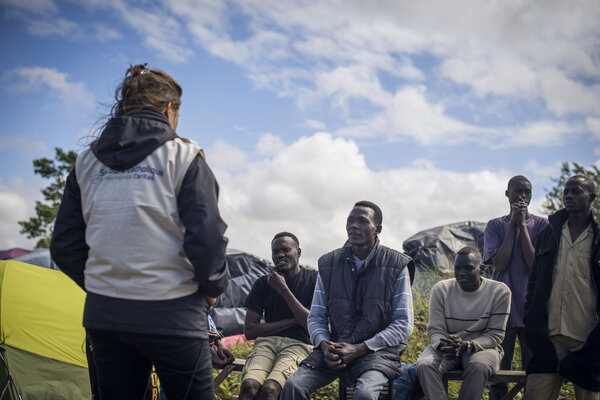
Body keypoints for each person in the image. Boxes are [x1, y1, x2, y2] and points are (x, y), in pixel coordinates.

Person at [50, 64, 229, 400]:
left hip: (107, 318)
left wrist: (105, 286)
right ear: (168, 109)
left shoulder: (85, 162)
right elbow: (205, 237)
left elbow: (63, 245)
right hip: (174, 314)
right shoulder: (183, 155)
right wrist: (212, 288)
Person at [281, 201, 414, 400]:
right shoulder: (328, 264)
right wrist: (325, 346)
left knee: (365, 394)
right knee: (293, 387)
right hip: (336, 349)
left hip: (377, 352)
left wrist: (361, 348)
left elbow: (404, 324)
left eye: (362, 221)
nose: (353, 226)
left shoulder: (396, 264)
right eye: (350, 220)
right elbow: (316, 317)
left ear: (377, 229)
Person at [524, 175, 600, 400]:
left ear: (592, 197)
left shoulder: (598, 237)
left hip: (587, 339)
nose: (568, 195)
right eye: (566, 191)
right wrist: (530, 319)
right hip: (548, 338)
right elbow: (534, 280)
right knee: (535, 394)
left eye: (576, 191)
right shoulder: (549, 232)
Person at [416, 246, 511, 400]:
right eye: (457, 268)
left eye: (468, 268)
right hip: (447, 347)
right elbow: (435, 330)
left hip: (481, 348)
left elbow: (495, 335)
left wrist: (467, 346)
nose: (461, 273)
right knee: (425, 364)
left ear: (481, 269)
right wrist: (444, 345)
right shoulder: (441, 289)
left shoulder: (499, 291)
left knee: (478, 367)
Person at [484, 175, 548, 400]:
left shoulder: (542, 225)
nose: (522, 196)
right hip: (503, 311)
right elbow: (500, 263)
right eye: (517, 192)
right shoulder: (495, 225)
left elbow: (534, 264)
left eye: (527, 192)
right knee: (500, 370)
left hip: (531, 309)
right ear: (507, 194)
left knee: (533, 371)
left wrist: (523, 225)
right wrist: (513, 225)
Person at [239, 232, 318, 400]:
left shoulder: (314, 280)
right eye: (275, 251)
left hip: (298, 344)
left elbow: (313, 327)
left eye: (285, 249)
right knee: (249, 386)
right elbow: (250, 331)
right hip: (266, 343)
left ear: (298, 252)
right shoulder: (262, 283)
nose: (280, 255)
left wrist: (283, 289)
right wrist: (294, 320)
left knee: (270, 390)